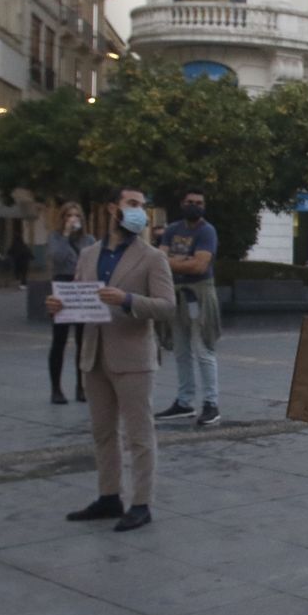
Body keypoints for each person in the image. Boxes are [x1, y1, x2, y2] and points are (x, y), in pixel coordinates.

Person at [48, 187, 176, 533]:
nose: (139, 211)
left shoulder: (152, 257)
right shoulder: (89, 254)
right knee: (103, 432)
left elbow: (167, 306)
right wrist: (61, 306)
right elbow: (79, 295)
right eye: (132, 204)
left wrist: (128, 299)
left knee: (139, 433)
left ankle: (141, 502)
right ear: (112, 209)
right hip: (94, 352)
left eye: (142, 206)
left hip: (132, 355)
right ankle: (108, 496)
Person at [155, 188, 222, 427]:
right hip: (177, 294)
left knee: (204, 349)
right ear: (182, 204)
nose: (195, 205)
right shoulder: (173, 229)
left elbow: (200, 266)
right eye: (190, 202)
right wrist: (185, 261)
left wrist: (173, 261)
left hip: (199, 294)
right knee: (181, 350)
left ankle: (211, 403)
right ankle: (184, 401)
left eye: (199, 202)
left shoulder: (207, 231)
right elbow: (158, 261)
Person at [48, 203, 95, 404]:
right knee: (59, 339)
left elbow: (92, 262)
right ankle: (56, 388)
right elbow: (57, 259)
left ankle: (81, 386)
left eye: (77, 215)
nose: (73, 219)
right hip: (63, 285)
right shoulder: (55, 237)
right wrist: (66, 235)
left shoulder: (89, 240)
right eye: (69, 215)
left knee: (82, 341)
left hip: (82, 288)